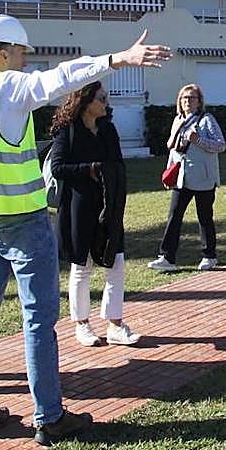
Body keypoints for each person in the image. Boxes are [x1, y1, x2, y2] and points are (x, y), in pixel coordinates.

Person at [0, 14, 169, 446]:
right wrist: (118, 59)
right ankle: (49, 416)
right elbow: (59, 79)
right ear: (3, 52)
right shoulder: (7, 86)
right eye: (21, 53)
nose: (25, 61)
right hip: (23, 221)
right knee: (38, 320)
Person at [49, 81, 139, 348]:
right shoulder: (68, 130)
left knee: (116, 263)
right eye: (101, 98)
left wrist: (109, 175)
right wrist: (88, 169)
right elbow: (58, 168)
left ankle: (115, 325)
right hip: (79, 207)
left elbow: (118, 164)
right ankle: (82, 324)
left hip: (108, 206)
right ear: (86, 101)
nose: (106, 102)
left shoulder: (108, 130)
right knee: (82, 267)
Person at [149, 84, 226, 272]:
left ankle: (209, 256)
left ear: (199, 101)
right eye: (184, 98)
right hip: (182, 178)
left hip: (203, 177)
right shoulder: (178, 120)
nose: (187, 101)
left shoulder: (207, 120)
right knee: (174, 216)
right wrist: (169, 174)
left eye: (192, 98)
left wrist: (198, 140)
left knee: (204, 217)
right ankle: (167, 257)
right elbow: (174, 151)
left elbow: (221, 145)